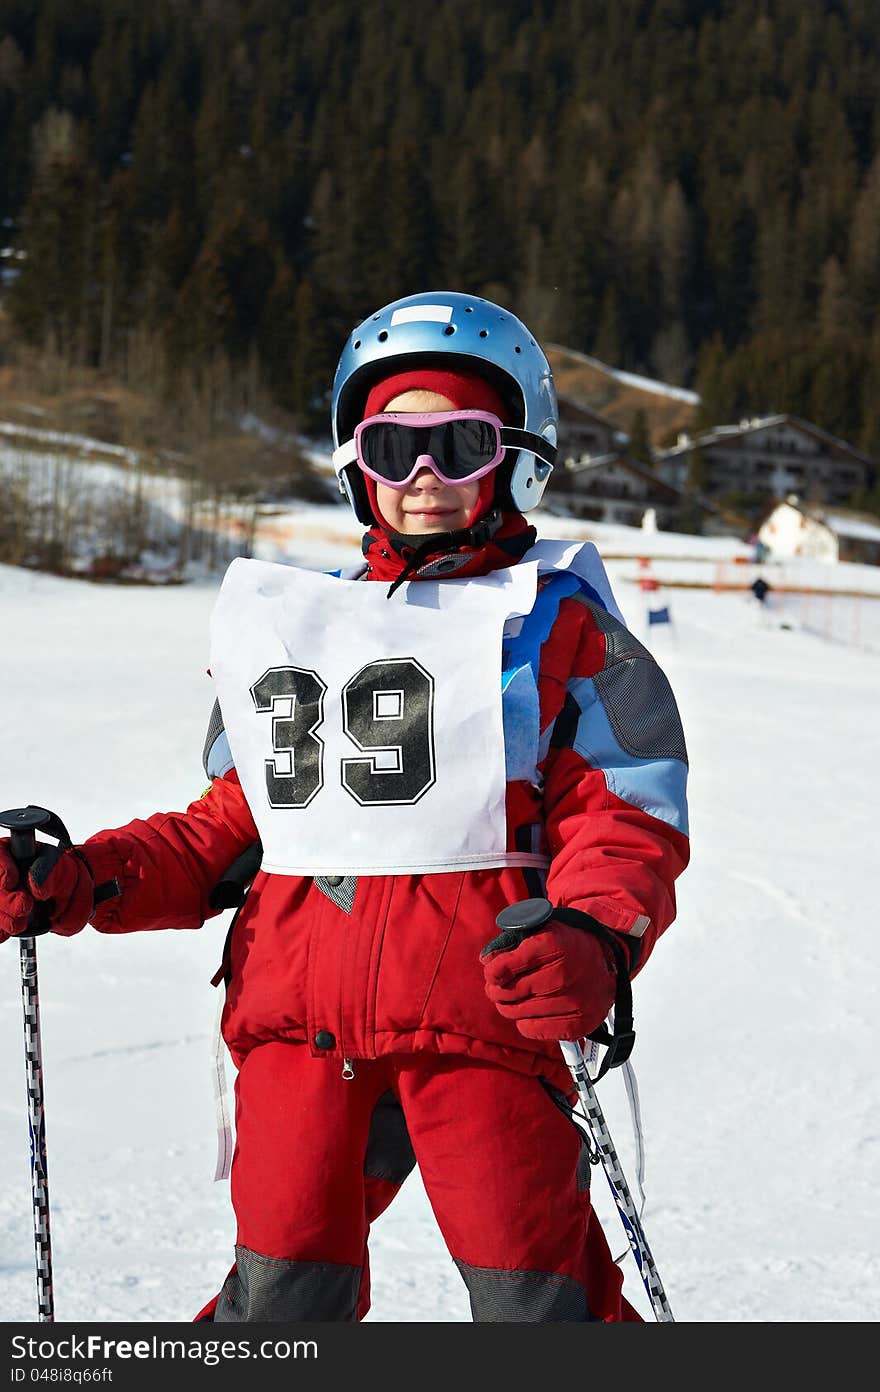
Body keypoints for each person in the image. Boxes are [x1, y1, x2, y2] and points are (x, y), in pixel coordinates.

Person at [0, 292, 690, 1323]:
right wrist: (79, 880)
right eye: (391, 445)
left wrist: (593, 933)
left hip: (482, 1022)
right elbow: (227, 830)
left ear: (517, 458)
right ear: (353, 460)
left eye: (459, 445)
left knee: (537, 1302)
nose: (421, 477)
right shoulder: (306, 630)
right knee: (278, 1301)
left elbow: (622, 817)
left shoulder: (560, 626)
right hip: (298, 1031)